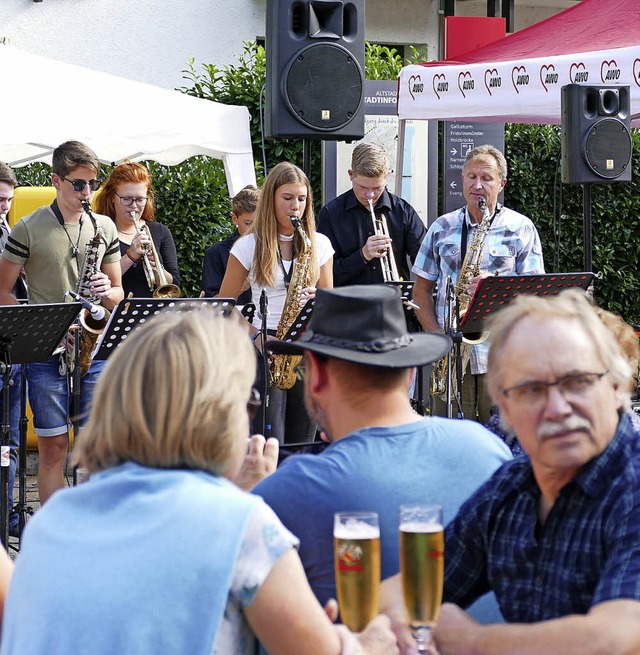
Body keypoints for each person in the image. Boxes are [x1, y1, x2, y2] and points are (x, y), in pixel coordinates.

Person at [0, 308, 398, 655]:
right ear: (220, 414)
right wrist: (374, 639)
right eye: (248, 403)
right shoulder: (242, 525)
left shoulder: (51, 521)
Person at [382, 289, 640, 655]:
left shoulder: (633, 484)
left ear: (617, 387)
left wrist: (472, 642)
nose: (557, 408)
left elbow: (617, 639)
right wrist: (389, 618)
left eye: (577, 381)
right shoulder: (511, 488)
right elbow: (410, 590)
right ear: (504, 408)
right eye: (531, 389)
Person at [254, 285, 512, 623]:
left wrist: (248, 502)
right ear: (409, 372)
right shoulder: (487, 446)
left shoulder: (290, 490)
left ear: (315, 374)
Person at [0, 141, 123, 504]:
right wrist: (35, 327)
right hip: (47, 353)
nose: (88, 192)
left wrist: (107, 290)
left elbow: (118, 293)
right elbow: (4, 293)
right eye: (78, 184)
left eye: (92, 184)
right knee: (53, 448)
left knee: (96, 448)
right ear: (56, 180)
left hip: (94, 349)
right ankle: (56, 531)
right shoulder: (27, 228)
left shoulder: (104, 226)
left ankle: (91, 528)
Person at [412, 144, 544, 425]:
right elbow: (420, 289)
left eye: (486, 178)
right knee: (449, 439)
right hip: (451, 356)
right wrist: (436, 337)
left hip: (500, 356)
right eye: (471, 177)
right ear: (462, 180)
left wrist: (495, 287)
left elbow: (534, 296)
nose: (477, 185)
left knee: (502, 440)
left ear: (501, 183)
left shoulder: (521, 227)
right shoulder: (442, 227)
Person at [219, 162, 334, 445]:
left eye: (302, 198)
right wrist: (257, 337)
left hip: (306, 347)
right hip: (264, 348)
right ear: (271, 197)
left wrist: (320, 300)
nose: (296, 206)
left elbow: (331, 299)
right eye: (288, 198)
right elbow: (224, 305)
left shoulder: (317, 243)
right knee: (270, 441)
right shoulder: (248, 245)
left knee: (303, 442)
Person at [317, 142, 426, 286]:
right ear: (351, 175)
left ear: (386, 176)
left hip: (393, 304)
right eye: (363, 187)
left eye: (377, 187)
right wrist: (363, 255)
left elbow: (426, 261)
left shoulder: (403, 211)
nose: (370, 194)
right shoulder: (331, 214)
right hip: (348, 305)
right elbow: (325, 275)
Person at [95, 161, 180, 298]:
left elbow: (174, 282)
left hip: (155, 314)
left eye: (140, 199)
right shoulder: (100, 232)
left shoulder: (160, 231)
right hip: (115, 313)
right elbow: (98, 282)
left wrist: (157, 268)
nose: (134, 206)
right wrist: (131, 256)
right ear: (112, 197)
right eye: (127, 199)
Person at [0, 162, 26, 537]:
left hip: (12, 349)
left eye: (7, 200)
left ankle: (6, 515)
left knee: (10, 442)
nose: (3, 206)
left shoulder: (9, 230)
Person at [202, 184, 259, 303]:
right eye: (248, 223)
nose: (253, 230)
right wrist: (241, 286)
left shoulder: (274, 248)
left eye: (259, 223)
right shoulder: (215, 253)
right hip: (233, 319)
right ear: (234, 219)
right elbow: (212, 304)